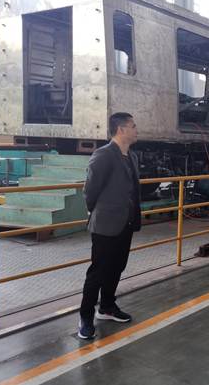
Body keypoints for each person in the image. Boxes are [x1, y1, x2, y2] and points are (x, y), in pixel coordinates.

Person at [78, 112, 141, 340]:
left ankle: (106, 307)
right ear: (121, 130)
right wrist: (94, 211)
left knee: (117, 267)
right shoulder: (103, 155)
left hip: (126, 222)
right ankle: (85, 317)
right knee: (97, 272)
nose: (136, 130)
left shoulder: (131, 156)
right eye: (133, 126)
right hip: (105, 224)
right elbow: (90, 190)